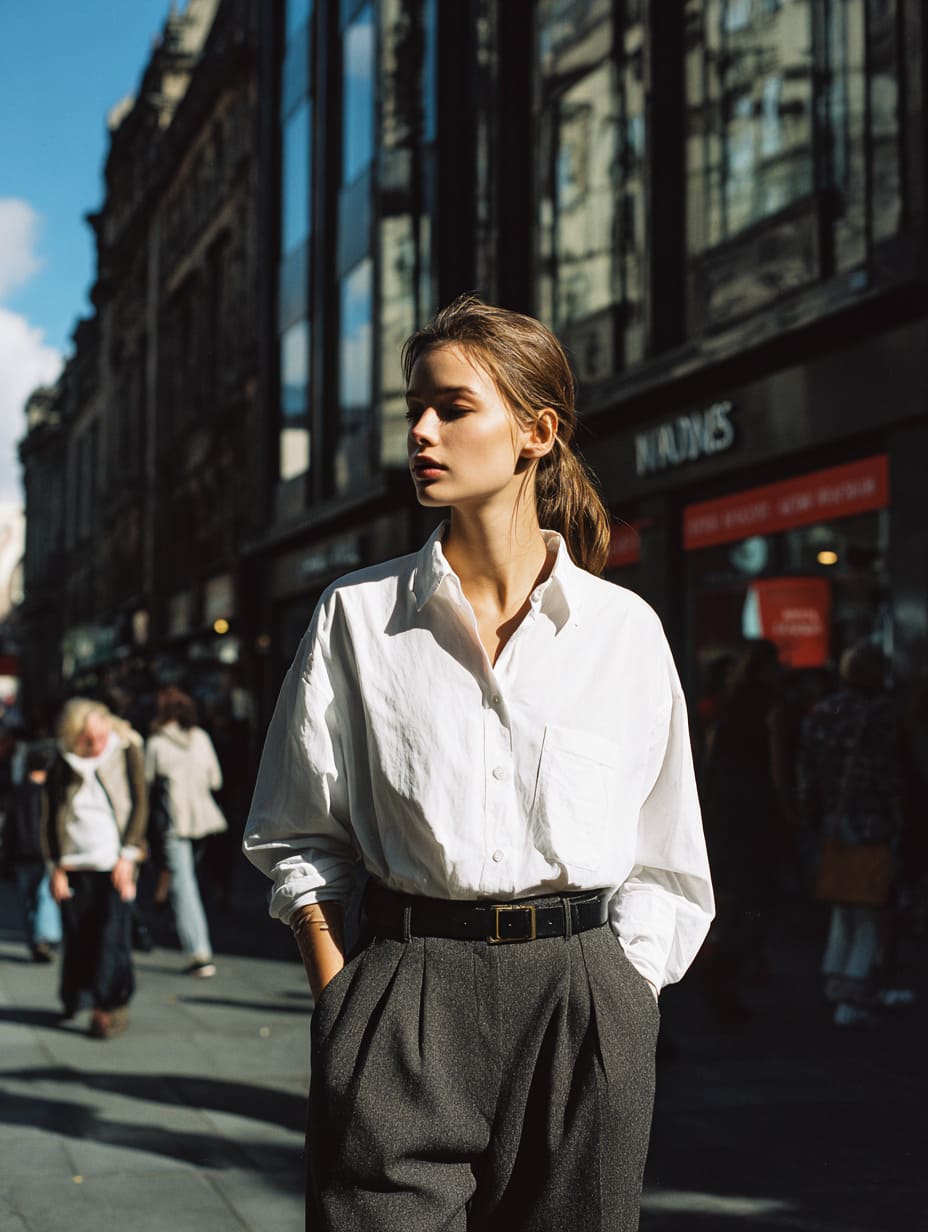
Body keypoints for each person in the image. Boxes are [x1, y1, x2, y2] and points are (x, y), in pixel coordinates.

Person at [244, 294, 714, 1231]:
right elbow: (297, 831)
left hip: (581, 1002)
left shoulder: (623, 633)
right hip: (405, 989)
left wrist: (623, 992)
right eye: (415, 407)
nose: (421, 430)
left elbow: (668, 855)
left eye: (453, 408)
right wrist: (346, 999)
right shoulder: (358, 617)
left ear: (535, 432)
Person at [799, 642, 904, 1027]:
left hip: (832, 821)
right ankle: (853, 995)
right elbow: (889, 774)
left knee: (844, 909)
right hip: (871, 822)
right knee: (868, 911)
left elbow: (808, 770)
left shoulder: (825, 712)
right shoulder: (881, 715)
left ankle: (835, 984)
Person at [42, 698, 147, 1039]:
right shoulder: (61, 759)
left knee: (111, 937)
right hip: (73, 863)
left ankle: (108, 1006)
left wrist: (128, 856)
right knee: (79, 937)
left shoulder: (126, 749)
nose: (97, 744)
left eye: (101, 736)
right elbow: (49, 815)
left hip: (113, 861)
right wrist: (55, 867)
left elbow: (139, 803)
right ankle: (76, 994)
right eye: (89, 739)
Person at [699, 639, 788, 1021]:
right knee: (753, 896)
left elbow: (710, 758)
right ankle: (726, 972)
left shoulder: (726, 707)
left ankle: (719, 972)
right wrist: (791, 812)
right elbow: (778, 767)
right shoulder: (772, 707)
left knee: (732, 894)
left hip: (726, 807)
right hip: (758, 809)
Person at [145, 686, 227, 978]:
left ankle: (199, 952)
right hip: (204, 819)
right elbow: (215, 780)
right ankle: (184, 925)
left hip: (173, 821)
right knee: (189, 877)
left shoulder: (155, 743)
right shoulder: (201, 738)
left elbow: (146, 785)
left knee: (184, 884)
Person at [0, 746, 61, 961]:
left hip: (21, 854)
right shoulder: (49, 793)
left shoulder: (18, 792)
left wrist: (6, 855)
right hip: (43, 852)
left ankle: (36, 940)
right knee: (45, 896)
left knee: (28, 900)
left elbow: (9, 828)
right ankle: (44, 937)